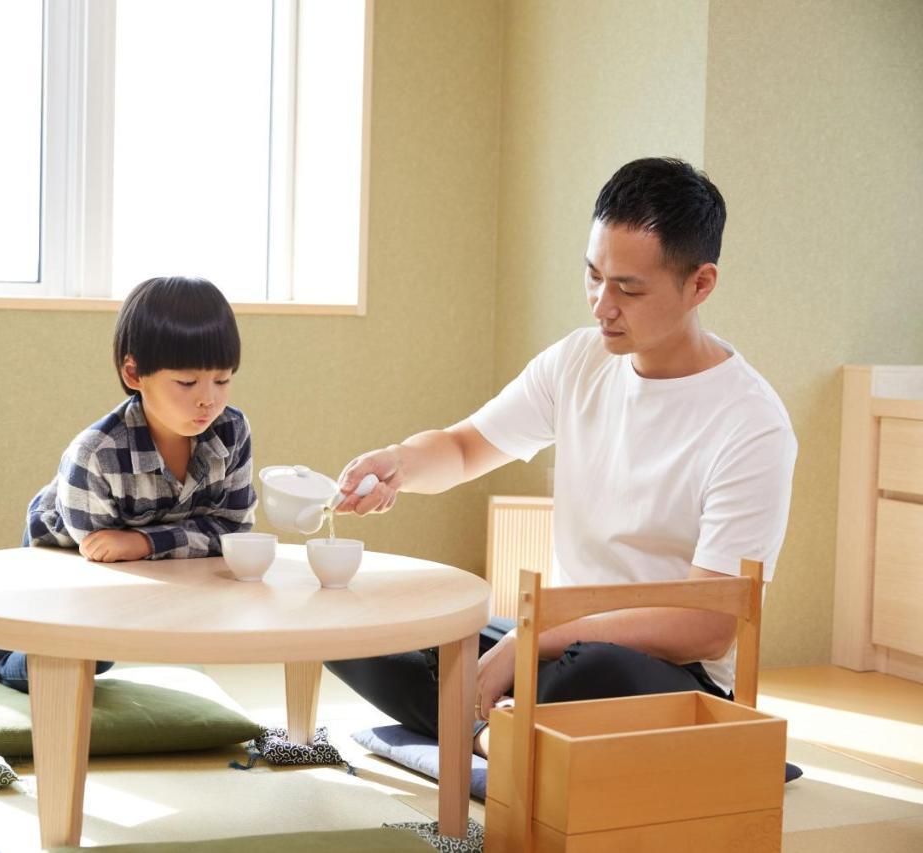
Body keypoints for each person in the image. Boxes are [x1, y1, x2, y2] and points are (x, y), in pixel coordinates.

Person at [327, 157, 797, 758]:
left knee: (595, 673)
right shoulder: (580, 360)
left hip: (656, 671)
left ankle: (495, 723)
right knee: (363, 630)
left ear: (700, 285)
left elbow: (704, 627)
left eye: (629, 288)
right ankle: (503, 730)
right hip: (550, 637)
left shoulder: (751, 424)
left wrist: (532, 638)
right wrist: (399, 462)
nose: (602, 306)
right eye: (594, 276)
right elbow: (467, 446)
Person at [0, 276, 256, 693]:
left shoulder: (231, 430)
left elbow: (236, 530)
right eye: (187, 383)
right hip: (63, 560)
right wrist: (152, 545)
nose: (208, 399)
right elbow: (97, 556)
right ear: (134, 373)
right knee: (91, 650)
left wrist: (144, 544)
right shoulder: (95, 452)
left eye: (222, 380)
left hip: (142, 560)